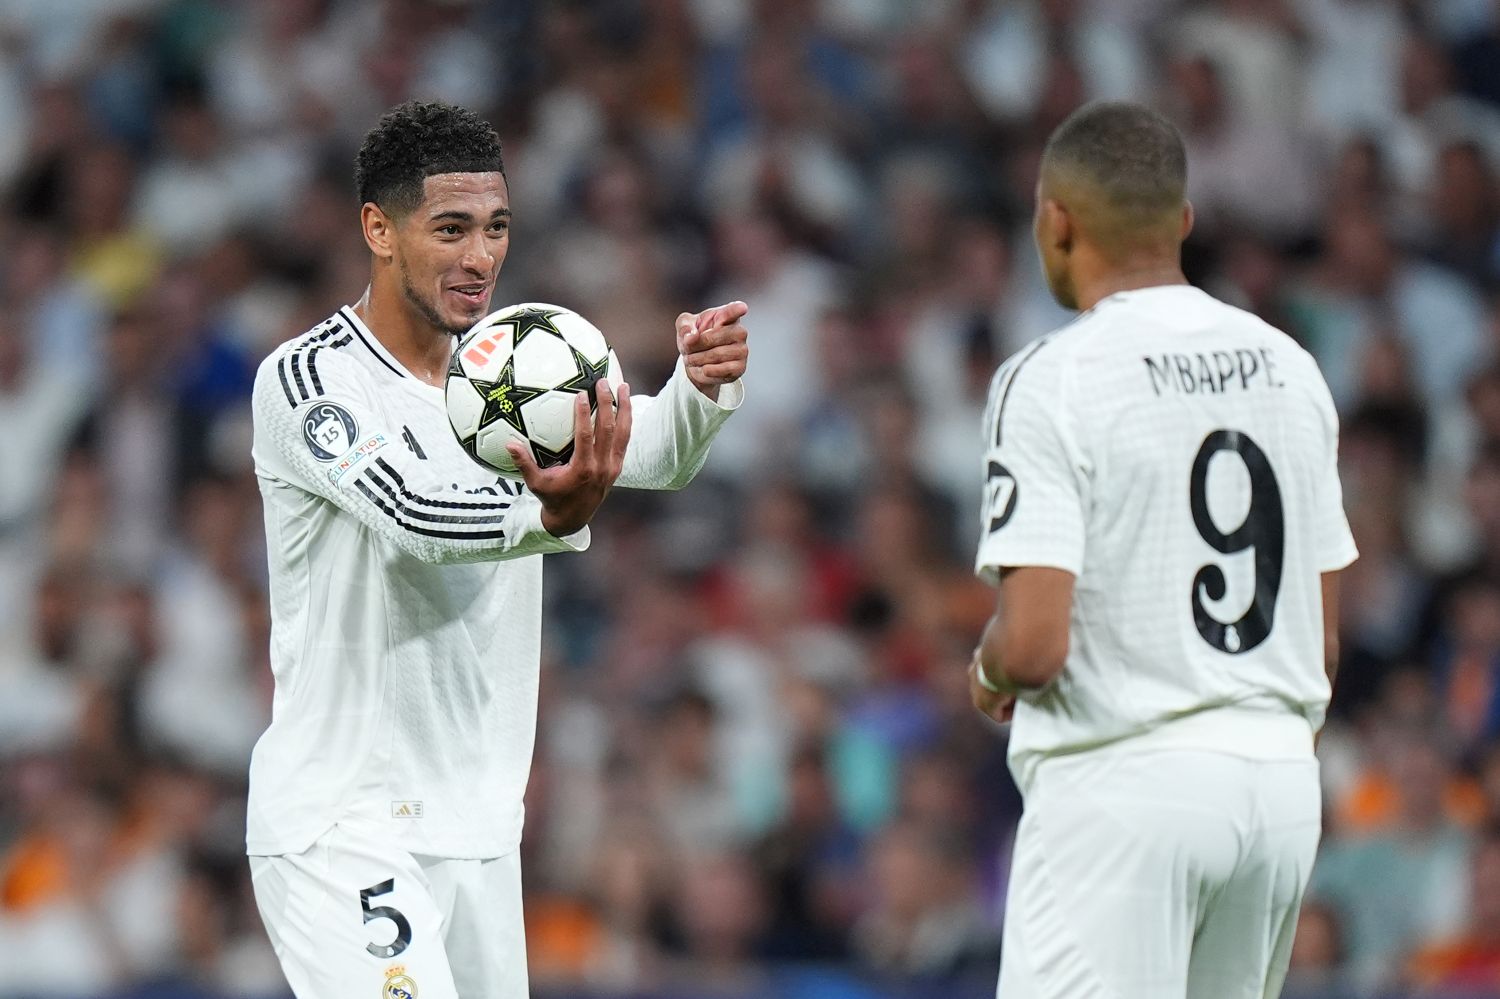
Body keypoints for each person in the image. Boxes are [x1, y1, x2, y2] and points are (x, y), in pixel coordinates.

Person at [245, 101, 748, 999]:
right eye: (451, 229)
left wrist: (700, 390)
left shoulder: (511, 367)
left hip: (478, 828)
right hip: (345, 823)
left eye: (496, 228)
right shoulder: (310, 378)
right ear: (379, 229)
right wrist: (547, 520)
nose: (480, 258)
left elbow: (652, 454)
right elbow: (410, 508)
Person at [968, 101, 1355, 998]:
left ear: (1054, 221)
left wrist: (986, 672)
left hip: (1127, 784)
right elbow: (1323, 643)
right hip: (1280, 784)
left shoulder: (1052, 378)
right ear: (1182, 222)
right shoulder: (1291, 366)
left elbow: (1033, 646)